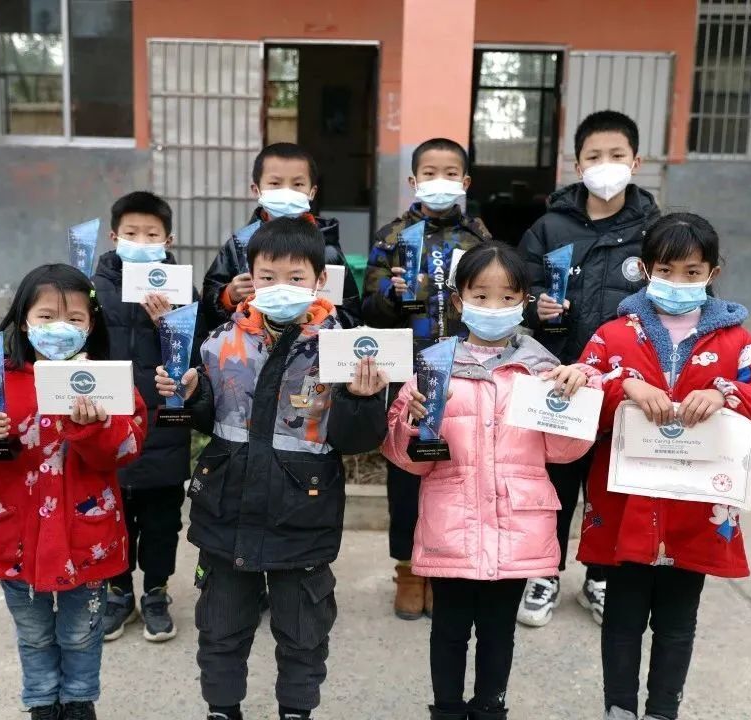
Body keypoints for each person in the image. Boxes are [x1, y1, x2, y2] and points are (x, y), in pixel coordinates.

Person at [156, 217, 389, 720]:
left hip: (303, 513)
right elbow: (210, 419)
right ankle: (222, 708)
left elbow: (357, 440)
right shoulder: (220, 341)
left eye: (295, 277)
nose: (280, 286)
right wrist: (190, 397)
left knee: (304, 632)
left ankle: (296, 711)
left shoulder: (346, 347)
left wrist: (363, 399)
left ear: (320, 279)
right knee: (220, 627)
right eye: (267, 276)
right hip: (226, 509)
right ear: (250, 277)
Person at [577, 213, 751, 720]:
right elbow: (575, 400)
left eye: (692, 271)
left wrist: (727, 394)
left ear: (713, 272)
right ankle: (619, 709)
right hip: (625, 507)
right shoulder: (613, 336)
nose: (678, 281)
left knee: (677, 623)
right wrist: (623, 385)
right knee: (622, 620)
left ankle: (662, 711)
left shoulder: (737, 343)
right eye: (666, 270)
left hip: (695, 511)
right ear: (645, 269)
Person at [382, 242, 599, 720]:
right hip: (451, 526)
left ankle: (490, 709)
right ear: (458, 300)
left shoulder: (543, 371)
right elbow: (409, 460)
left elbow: (564, 453)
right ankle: (446, 710)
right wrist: (413, 422)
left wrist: (577, 394)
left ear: (524, 301)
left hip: (516, 527)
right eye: (481, 296)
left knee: (499, 632)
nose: (494, 307)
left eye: (507, 297)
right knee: (449, 631)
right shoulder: (432, 367)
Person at [0, 264, 147, 720]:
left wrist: (95, 428)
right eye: (46, 316)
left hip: (87, 539)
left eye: (74, 318)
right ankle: (42, 703)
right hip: (16, 539)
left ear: (92, 324)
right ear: (24, 320)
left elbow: (127, 447)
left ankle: (79, 702)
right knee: (33, 634)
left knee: (82, 634)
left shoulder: (105, 382)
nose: (60, 328)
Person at [516, 110, 662, 628]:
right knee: (554, 483)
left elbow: (684, 295)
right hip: (560, 376)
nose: (605, 165)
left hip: (627, 384)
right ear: (577, 166)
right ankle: (544, 572)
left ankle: (599, 575)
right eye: (594, 156)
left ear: (636, 162)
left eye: (616, 155)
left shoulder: (655, 231)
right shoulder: (549, 227)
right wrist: (535, 306)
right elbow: (518, 286)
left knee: (611, 485)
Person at [362, 137, 492, 620]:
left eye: (450, 173)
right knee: (406, 474)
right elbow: (369, 310)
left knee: (454, 471)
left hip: (463, 371)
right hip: (407, 374)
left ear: (465, 182)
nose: (441, 181)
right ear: (414, 181)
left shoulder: (480, 239)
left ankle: (441, 569)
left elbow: (494, 300)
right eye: (430, 173)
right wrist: (394, 297)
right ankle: (408, 571)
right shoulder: (393, 237)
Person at [93, 191, 206, 643]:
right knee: (112, 518)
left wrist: (169, 324)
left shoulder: (181, 290)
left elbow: (200, 360)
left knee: (162, 522)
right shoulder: (92, 289)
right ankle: (118, 593)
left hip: (163, 426)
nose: (141, 242)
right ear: (114, 236)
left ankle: (156, 593)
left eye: (151, 234)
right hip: (109, 424)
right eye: (132, 233)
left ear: (168, 240)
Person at [200, 142, 362, 331]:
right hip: (252, 342)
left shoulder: (328, 248)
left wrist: (319, 315)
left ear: (312, 192)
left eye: (298, 184)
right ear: (256, 190)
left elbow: (350, 314)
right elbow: (206, 305)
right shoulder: (240, 244)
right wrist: (228, 296)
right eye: (275, 184)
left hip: (312, 345)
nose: (286, 191)